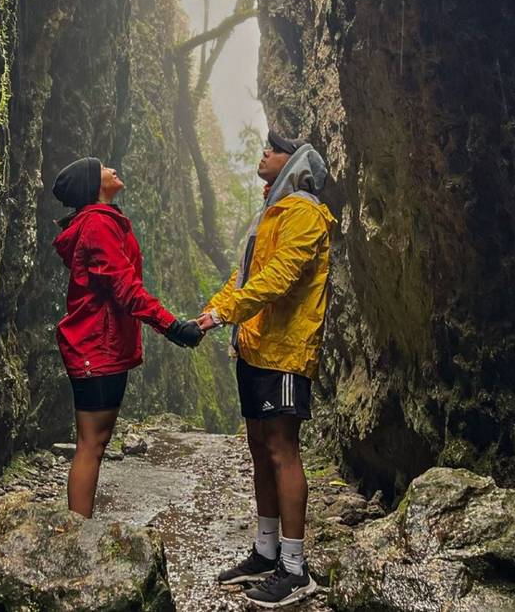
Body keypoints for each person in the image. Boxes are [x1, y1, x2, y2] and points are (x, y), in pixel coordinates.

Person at [197, 131, 335, 608]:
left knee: (282, 448)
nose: (263, 153)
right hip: (256, 347)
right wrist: (212, 311)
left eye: (271, 149)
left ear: (293, 161)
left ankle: (295, 569)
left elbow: (280, 278)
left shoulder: (305, 212)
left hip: (285, 351)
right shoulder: (273, 212)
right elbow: (245, 278)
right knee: (259, 446)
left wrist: (223, 314)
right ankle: (265, 550)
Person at [52, 156, 204, 518]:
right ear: (93, 184)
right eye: (104, 168)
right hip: (96, 346)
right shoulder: (98, 226)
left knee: (94, 443)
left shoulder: (101, 223)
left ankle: (79, 527)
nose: (113, 170)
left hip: (99, 344)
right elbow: (126, 288)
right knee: (92, 444)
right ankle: (77, 532)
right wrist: (171, 326)